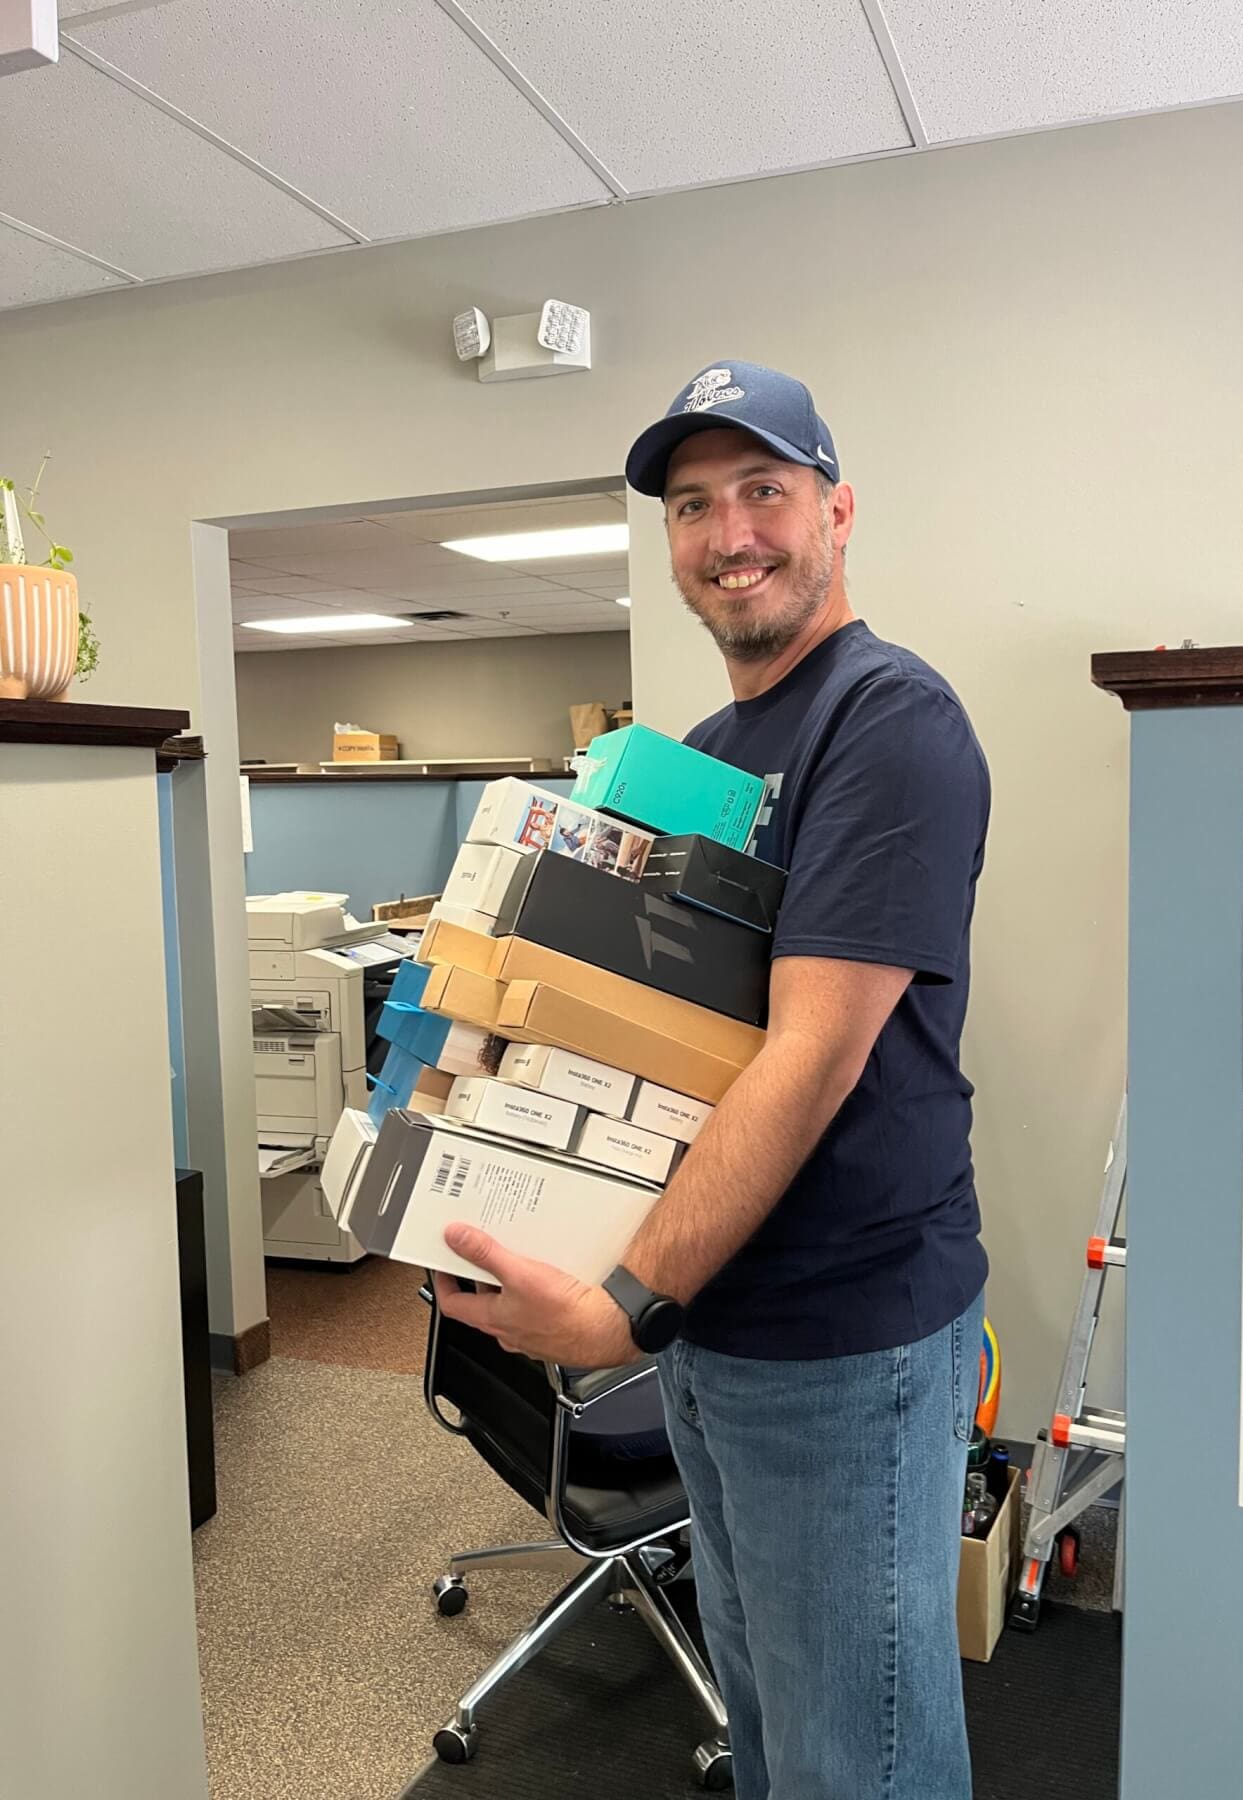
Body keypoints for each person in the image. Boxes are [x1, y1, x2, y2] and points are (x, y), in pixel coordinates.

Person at [433, 360, 991, 1800]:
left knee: (852, 1751)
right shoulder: (705, 752)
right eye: (692, 504)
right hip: (722, 1330)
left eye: (763, 490)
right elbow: (651, 1043)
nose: (728, 532)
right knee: (770, 1720)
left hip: (843, 1335)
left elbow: (808, 1055)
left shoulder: (887, 720)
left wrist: (624, 1302)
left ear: (836, 511)